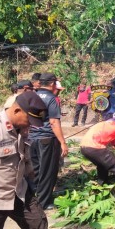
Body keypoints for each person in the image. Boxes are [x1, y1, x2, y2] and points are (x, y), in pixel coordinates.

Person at [0, 91, 67, 229]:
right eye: (29, 121)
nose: (31, 126)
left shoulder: (22, 129)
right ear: (17, 111)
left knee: (37, 221)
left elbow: (26, 159)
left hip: (19, 191)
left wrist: (33, 182)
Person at [29, 73, 69, 210]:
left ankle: (34, 197)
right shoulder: (52, 99)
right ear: (52, 83)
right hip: (47, 138)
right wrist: (62, 142)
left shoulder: (31, 96)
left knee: (37, 169)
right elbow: (53, 121)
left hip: (32, 138)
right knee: (48, 170)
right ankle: (44, 203)